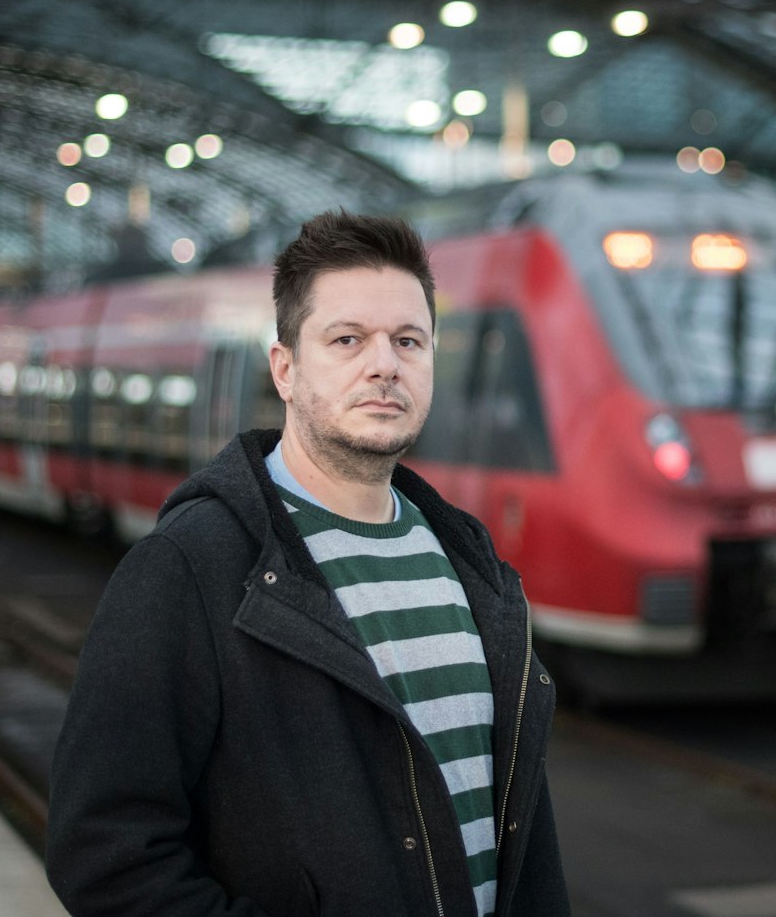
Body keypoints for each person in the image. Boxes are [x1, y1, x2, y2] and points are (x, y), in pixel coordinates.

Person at [47, 211, 569, 917]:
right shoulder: (188, 568)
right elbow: (104, 855)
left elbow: (518, 835)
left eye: (408, 340)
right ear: (285, 370)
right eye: (347, 339)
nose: (384, 364)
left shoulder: (470, 563)